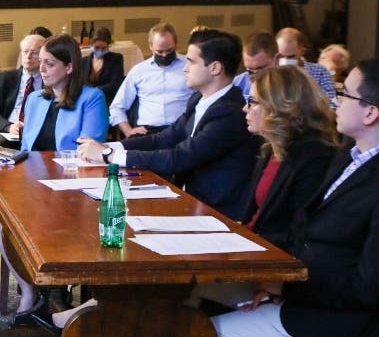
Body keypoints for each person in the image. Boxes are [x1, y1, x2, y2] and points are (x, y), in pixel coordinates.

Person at [197, 58, 379, 337]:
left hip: (339, 323)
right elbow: (305, 233)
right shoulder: (351, 158)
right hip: (308, 296)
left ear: (370, 112)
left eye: (345, 94)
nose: (334, 101)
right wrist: (279, 283)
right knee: (191, 305)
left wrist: (287, 285)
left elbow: (368, 287)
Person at [195, 65, 341, 311]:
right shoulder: (269, 150)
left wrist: (244, 242)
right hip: (252, 257)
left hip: (274, 271)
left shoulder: (314, 156)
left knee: (186, 298)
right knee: (176, 294)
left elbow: (301, 233)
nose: (245, 109)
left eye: (252, 102)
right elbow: (255, 216)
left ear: (280, 107)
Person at [79, 29, 258, 220]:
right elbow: (165, 138)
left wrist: (109, 155)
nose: (185, 68)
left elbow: (179, 157)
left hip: (216, 214)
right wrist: (109, 146)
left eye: (191, 61)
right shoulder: (199, 99)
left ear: (214, 68)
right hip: (191, 202)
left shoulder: (229, 113)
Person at [0, 34, 109, 329]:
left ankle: (56, 292)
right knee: (2, 223)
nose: (40, 69)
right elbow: (27, 147)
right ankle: (31, 293)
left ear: (69, 67)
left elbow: (90, 149)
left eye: (49, 63)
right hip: (33, 182)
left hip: (72, 186)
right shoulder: (35, 99)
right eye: (39, 63)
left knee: (53, 220)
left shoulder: (91, 98)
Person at [0, 33, 44, 241]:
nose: (29, 57)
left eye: (34, 53)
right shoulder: (5, 79)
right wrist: (10, 125)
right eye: (25, 52)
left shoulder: (49, 82)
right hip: (8, 133)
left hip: (37, 134)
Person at [108, 22, 193, 138]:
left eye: (169, 51)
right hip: (147, 132)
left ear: (176, 44)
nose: (164, 55)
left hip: (182, 130)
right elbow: (117, 107)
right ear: (151, 46)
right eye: (159, 51)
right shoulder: (139, 70)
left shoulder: (189, 66)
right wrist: (128, 131)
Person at [275, 27, 338, 107]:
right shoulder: (271, 74)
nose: (285, 60)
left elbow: (332, 105)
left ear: (302, 51)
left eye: (291, 57)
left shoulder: (320, 72)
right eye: (281, 56)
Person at [81, 27, 125, 106]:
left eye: (104, 48)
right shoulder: (83, 61)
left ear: (108, 45)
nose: (100, 51)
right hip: (87, 101)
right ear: (92, 44)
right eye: (97, 48)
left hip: (107, 101)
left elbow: (115, 84)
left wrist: (95, 91)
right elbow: (80, 83)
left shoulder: (116, 59)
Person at [231, 31, 278, 95]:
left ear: (277, 59)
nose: (256, 78)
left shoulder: (292, 85)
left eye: (261, 70)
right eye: (250, 71)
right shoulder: (236, 85)